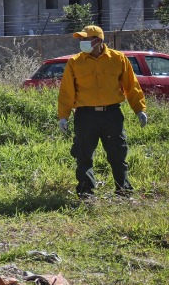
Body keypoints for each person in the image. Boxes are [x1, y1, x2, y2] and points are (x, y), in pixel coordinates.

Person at [58, 24, 148, 198]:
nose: (82, 42)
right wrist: (63, 116)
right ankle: (86, 193)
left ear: (98, 40)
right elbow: (66, 91)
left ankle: (123, 191)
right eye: (81, 39)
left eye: (85, 39)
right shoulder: (74, 62)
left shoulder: (118, 58)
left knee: (117, 154)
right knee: (83, 155)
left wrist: (139, 109)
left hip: (112, 115)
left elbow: (132, 86)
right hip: (85, 116)